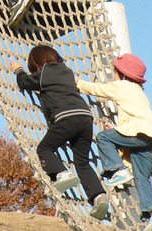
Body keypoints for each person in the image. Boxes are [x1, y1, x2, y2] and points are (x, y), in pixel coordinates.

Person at [76, 53, 152, 231]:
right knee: (141, 178)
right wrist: (118, 128)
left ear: (120, 73)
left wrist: (78, 83)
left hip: (140, 132)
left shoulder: (122, 86)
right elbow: (133, 115)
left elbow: (97, 89)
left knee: (104, 138)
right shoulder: (140, 92)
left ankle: (116, 170)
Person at [10, 45, 109, 220]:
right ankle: (99, 196)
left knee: (44, 149)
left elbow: (25, 82)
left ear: (38, 66)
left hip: (66, 119)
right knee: (82, 162)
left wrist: (18, 70)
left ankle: (61, 173)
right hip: (85, 118)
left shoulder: (45, 73)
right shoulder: (67, 72)